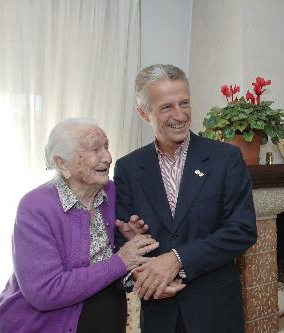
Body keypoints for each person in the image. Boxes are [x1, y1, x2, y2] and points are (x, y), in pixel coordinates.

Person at [114, 64, 257, 333]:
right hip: (159, 311)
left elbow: (242, 231)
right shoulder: (128, 168)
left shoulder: (225, 159)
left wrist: (177, 259)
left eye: (185, 103)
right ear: (144, 113)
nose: (180, 115)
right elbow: (121, 237)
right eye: (166, 107)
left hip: (215, 312)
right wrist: (140, 267)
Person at [0, 118, 160, 333]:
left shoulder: (110, 191)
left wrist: (127, 238)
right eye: (95, 149)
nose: (108, 158)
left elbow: (105, 254)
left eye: (106, 147)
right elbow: (45, 292)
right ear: (63, 163)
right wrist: (120, 261)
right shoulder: (35, 207)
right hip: (45, 325)